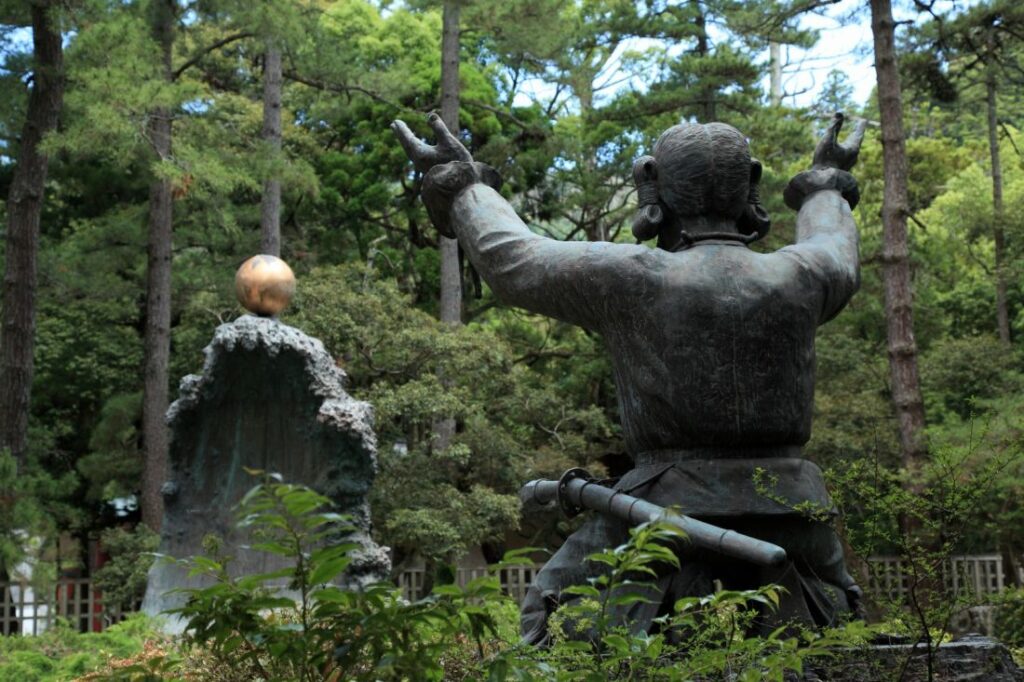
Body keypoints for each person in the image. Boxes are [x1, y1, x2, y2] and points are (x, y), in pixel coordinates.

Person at [393, 112, 868, 644]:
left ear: (649, 179)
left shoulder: (634, 276)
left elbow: (513, 259)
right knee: (829, 637)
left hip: (664, 511)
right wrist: (825, 180)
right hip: (793, 507)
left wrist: (463, 185)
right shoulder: (807, 273)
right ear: (751, 181)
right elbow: (834, 240)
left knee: (552, 617)